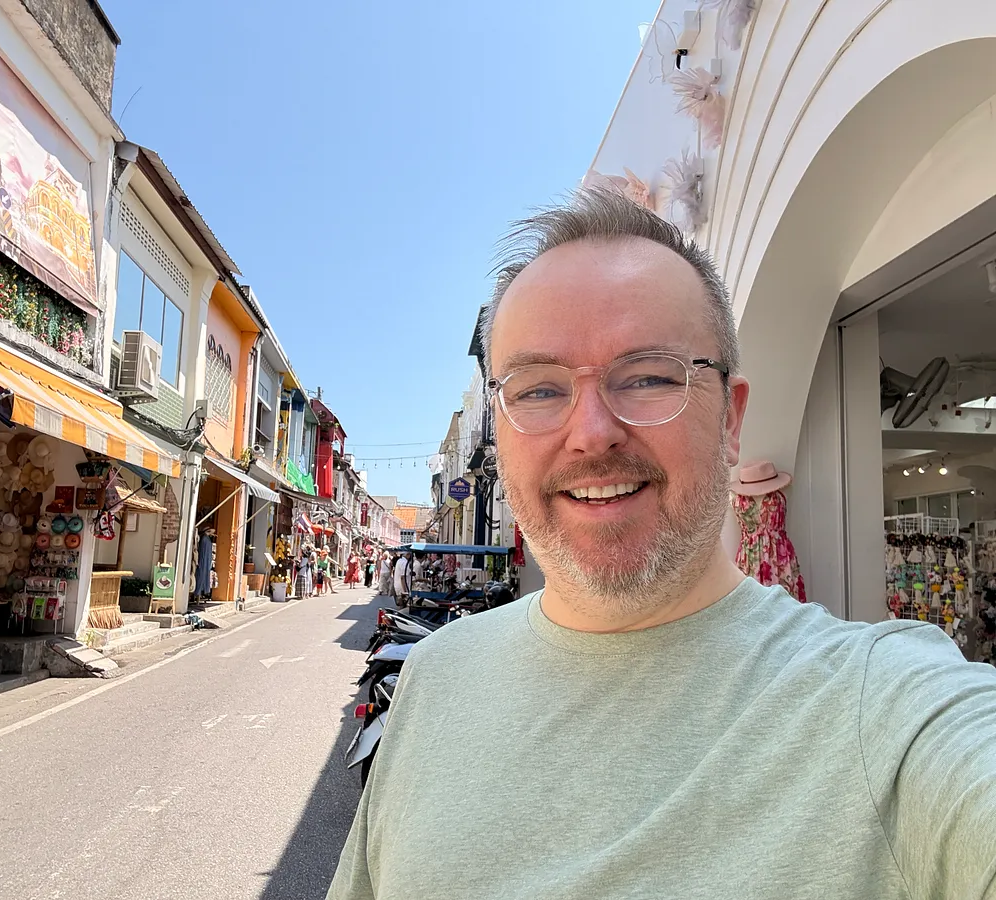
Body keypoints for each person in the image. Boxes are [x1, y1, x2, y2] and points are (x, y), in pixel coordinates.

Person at [326, 188, 996, 899]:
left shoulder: (886, 709)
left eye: (648, 377)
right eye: (539, 389)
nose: (591, 431)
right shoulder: (432, 681)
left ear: (731, 422)